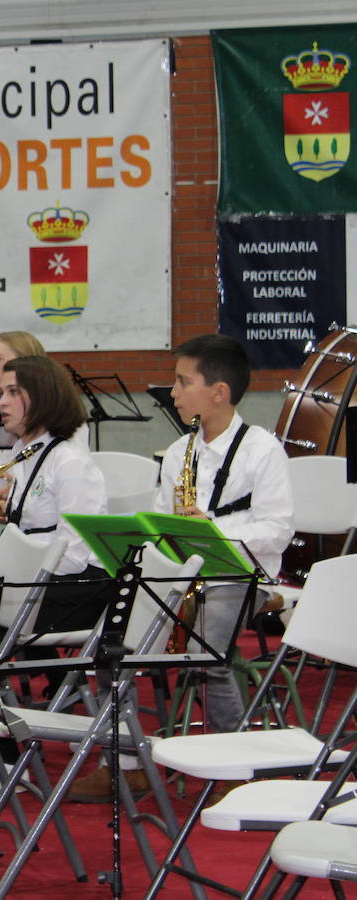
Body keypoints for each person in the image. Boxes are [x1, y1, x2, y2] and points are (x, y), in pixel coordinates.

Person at [67, 334, 294, 801]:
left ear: (219, 392)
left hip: (241, 575)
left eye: (182, 381)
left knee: (208, 651)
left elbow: (278, 528)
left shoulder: (262, 449)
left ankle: (235, 771)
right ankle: (126, 763)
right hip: (180, 577)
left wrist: (213, 531)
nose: (172, 392)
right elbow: (156, 523)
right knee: (111, 644)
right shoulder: (178, 453)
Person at [0, 354, 111, 798]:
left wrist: (3, 560)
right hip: (33, 581)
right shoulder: (23, 455)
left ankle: (4, 757)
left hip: (80, 588)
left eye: (15, 392)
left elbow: (75, 553)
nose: (3, 401)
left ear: (45, 397)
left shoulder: (69, 462)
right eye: (3, 391)